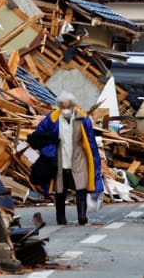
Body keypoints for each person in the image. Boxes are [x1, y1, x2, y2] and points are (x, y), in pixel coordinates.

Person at [35, 91, 103, 225]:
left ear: (73, 106)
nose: (65, 110)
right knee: (60, 189)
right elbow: (39, 136)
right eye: (63, 106)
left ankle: (82, 216)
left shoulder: (82, 119)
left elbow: (90, 141)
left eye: (68, 106)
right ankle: (61, 217)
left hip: (78, 158)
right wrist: (49, 151)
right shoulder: (52, 118)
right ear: (59, 107)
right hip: (60, 159)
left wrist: (95, 159)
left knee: (81, 187)